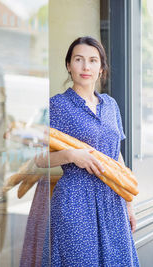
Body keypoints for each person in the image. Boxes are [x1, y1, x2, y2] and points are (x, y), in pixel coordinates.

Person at [35, 36, 139, 266]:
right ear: (68, 65)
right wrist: (72, 156)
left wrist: (129, 205)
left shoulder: (111, 105)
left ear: (101, 68)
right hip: (75, 201)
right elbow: (38, 159)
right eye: (79, 59)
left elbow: (116, 156)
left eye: (93, 60)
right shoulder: (56, 106)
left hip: (113, 200)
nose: (85, 66)